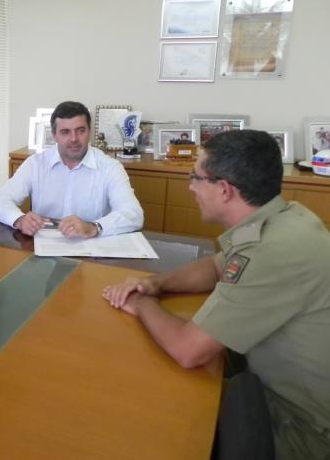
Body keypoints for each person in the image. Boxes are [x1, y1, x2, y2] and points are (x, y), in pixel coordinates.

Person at [103, 130, 330, 459]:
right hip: (273, 387)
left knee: (154, 422)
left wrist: (139, 302)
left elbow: (187, 349)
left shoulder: (272, 253)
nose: (191, 186)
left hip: (302, 429)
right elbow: (216, 266)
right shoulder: (286, 216)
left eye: (196, 177)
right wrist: (156, 284)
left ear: (224, 190)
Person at [0, 101, 143, 238]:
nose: (74, 139)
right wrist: (19, 220)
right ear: (54, 135)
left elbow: (133, 214)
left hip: (90, 250)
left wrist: (93, 227)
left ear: (89, 132)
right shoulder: (36, 164)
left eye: (80, 130)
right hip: (44, 248)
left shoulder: (110, 167)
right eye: (65, 132)